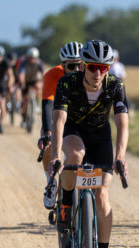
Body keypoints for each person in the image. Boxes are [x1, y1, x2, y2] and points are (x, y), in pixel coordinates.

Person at [48, 40, 129, 248]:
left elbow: (122, 123)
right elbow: (59, 121)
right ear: (83, 65)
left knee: (102, 193)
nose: (98, 73)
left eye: (103, 68)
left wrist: (120, 156)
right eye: (93, 67)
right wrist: (55, 155)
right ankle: (65, 203)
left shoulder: (115, 85)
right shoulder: (67, 82)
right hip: (74, 130)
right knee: (75, 155)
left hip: (100, 136)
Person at [38, 41, 84, 209]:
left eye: (80, 64)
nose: (77, 70)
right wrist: (48, 132)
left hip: (77, 118)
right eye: (72, 66)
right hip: (56, 116)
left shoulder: (88, 74)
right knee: (47, 144)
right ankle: (51, 183)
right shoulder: (52, 75)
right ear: (63, 65)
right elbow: (47, 105)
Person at [0, 45, 15, 133]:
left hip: (1, 84)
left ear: (2, 56)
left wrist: (10, 85)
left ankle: (0, 123)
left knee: (2, 104)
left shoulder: (6, 63)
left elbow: (11, 75)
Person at [19, 47, 45, 127]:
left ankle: (36, 103)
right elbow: (21, 74)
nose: (32, 60)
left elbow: (43, 74)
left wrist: (42, 83)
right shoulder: (23, 63)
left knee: (39, 87)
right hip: (26, 81)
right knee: (26, 100)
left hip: (34, 80)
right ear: (28, 57)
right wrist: (22, 83)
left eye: (34, 58)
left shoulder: (40, 63)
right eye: (30, 58)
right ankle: (24, 118)